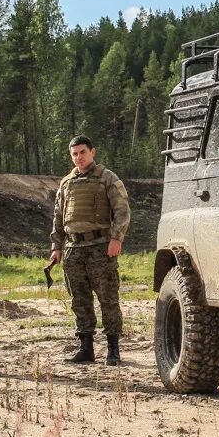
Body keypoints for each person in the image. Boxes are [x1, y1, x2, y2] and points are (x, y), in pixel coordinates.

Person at [49, 135, 130, 365]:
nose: (78, 158)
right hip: (74, 249)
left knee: (108, 299)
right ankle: (86, 349)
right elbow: (58, 217)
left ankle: (113, 350)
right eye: (74, 154)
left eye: (82, 152)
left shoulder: (107, 178)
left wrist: (116, 238)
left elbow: (122, 210)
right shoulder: (66, 183)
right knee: (79, 300)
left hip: (100, 248)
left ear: (92, 152)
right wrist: (57, 246)